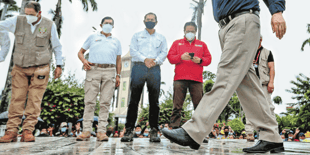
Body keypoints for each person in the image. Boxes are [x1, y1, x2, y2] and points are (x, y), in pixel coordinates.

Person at [153, 0, 287, 154]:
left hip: (244, 21)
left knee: (225, 76)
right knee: (246, 84)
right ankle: (271, 137)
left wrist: (276, 11)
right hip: (225, 29)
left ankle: (194, 131)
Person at [0, 1, 63, 143]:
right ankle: (11, 131)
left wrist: (59, 64)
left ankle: (28, 131)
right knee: (17, 99)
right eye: (26, 13)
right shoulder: (17, 20)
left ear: (39, 13)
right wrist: (3, 51)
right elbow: (0, 26)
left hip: (41, 67)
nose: (28, 17)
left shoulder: (49, 25)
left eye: (31, 14)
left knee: (34, 100)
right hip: (20, 67)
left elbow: (57, 46)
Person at [121, 12, 167, 143]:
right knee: (134, 100)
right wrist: (145, 59)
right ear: (144, 21)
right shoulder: (137, 36)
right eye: (148, 19)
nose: (150, 21)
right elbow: (133, 51)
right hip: (139, 67)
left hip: (154, 68)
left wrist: (155, 61)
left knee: (154, 101)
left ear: (156, 22)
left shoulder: (161, 37)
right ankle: (129, 130)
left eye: (152, 19)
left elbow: (164, 52)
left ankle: (153, 130)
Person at [76, 17, 121, 142]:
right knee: (89, 102)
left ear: (113, 26)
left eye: (110, 24)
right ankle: (86, 131)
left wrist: (118, 75)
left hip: (110, 71)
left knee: (105, 103)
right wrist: (84, 61)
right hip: (93, 69)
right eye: (106, 23)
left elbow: (118, 60)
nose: (108, 25)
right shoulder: (92, 37)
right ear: (101, 25)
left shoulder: (116, 41)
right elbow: (80, 52)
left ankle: (101, 131)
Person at [167, 22, 212, 129]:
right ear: (184, 31)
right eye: (188, 31)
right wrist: (180, 57)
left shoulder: (202, 44)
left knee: (199, 106)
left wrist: (200, 60)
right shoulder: (177, 43)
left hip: (196, 80)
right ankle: (174, 128)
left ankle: (200, 130)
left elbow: (208, 59)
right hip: (179, 79)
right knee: (177, 106)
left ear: (195, 32)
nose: (190, 33)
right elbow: (170, 58)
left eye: (192, 31)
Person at [245, 35, 276, 142]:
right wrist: (249, 63)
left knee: (269, 108)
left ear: (261, 40)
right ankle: (249, 133)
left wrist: (271, 82)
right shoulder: (247, 52)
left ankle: (273, 133)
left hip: (263, 84)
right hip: (251, 84)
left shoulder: (267, 52)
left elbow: (272, 68)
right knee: (250, 108)